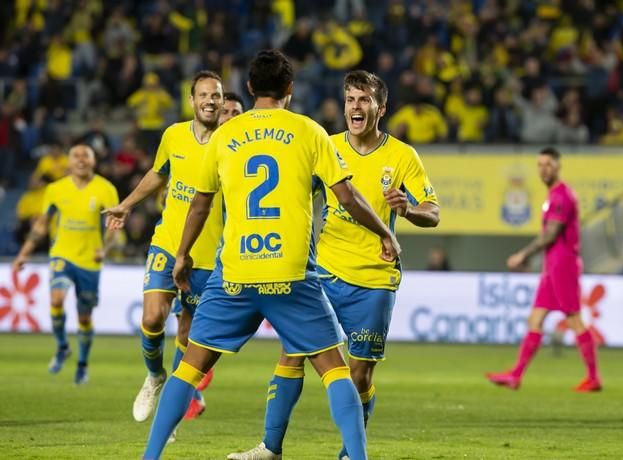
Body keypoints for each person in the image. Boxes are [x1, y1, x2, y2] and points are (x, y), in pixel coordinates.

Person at [141, 49, 400, 460]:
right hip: (292, 273)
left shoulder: (226, 134)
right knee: (334, 370)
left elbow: (200, 204)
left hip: (236, 273)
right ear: (290, 90)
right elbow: (347, 197)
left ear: (248, 88)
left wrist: (182, 254)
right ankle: (358, 457)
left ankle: (150, 457)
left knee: (188, 367)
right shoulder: (310, 132)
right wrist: (385, 232)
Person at [229, 70, 440, 460]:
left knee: (359, 374)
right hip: (323, 272)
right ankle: (270, 448)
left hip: (374, 280)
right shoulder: (325, 145)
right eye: (350, 100)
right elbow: (292, 191)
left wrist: (409, 210)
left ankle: (348, 454)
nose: (355, 108)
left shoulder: (403, 156)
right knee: (291, 353)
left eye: (363, 100)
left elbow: (433, 213)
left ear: (381, 107)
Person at [103, 70, 225, 423]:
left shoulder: (232, 142)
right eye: (203, 94)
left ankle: (174, 406)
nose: (209, 101)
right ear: (192, 100)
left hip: (207, 254)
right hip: (168, 243)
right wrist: (126, 205)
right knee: (153, 316)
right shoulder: (174, 135)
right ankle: (154, 375)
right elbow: (158, 174)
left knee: (187, 334)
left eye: (216, 95)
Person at [486, 147, 602, 392]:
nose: (543, 169)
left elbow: (551, 235)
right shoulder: (553, 196)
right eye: (540, 164)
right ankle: (516, 375)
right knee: (535, 318)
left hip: (563, 265)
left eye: (548, 164)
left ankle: (593, 377)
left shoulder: (562, 196)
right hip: (552, 266)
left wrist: (522, 255)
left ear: (558, 166)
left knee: (574, 319)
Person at [168, 89, 246, 420]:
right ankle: (190, 394)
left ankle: (192, 386)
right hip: (199, 257)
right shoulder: (208, 154)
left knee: (207, 334)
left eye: (237, 112)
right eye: (226, 112)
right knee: (186, 331)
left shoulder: (249, 159)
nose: (231, 117)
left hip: (236, 259)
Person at [12, 144, 119, 385]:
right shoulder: (55, 189)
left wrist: (106, 248)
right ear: (68, 162)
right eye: (76, 156)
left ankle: (82, 362)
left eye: (86, 155)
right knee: (57, 299)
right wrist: (23, 254)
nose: (81, 159)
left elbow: (113, 226)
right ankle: (62, 346)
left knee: (84, 318)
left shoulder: (105, 188)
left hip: (90, 260)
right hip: (62, 254)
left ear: (94, 161)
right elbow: (41, 225)